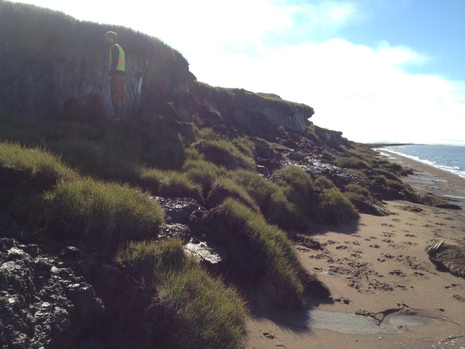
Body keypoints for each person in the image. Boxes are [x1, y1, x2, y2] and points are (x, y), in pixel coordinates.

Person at [105, 31, 126, 120]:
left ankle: (117, 117)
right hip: (122, 74)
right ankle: (121, 117)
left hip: (116, 75)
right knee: (121, 95)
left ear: (111, 38)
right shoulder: (121, 48)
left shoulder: (114, 48)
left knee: (115, 94)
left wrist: (110, 75)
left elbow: (114, 62)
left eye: (107, 38)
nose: (106, 39)